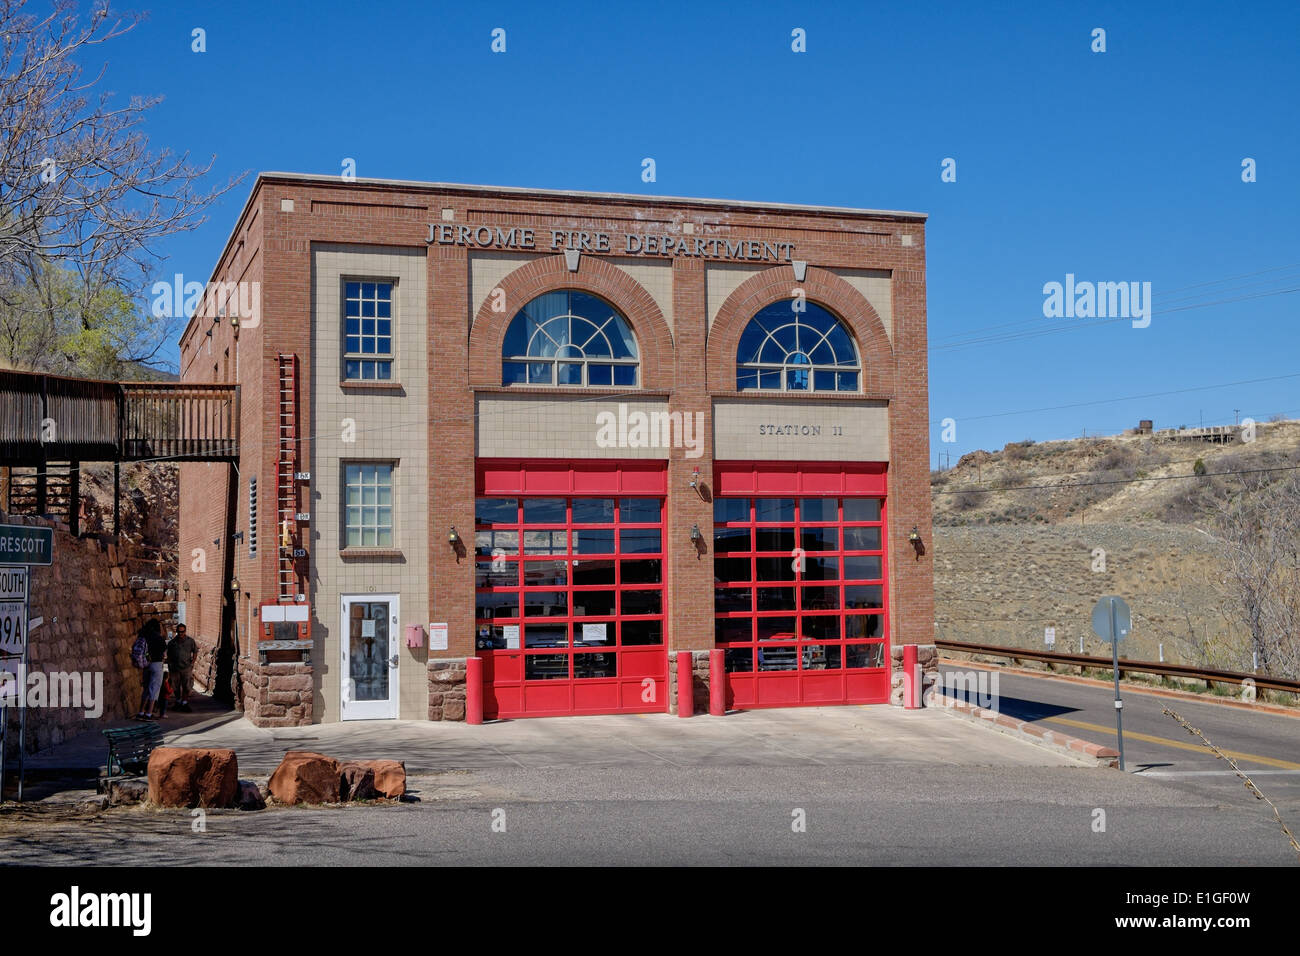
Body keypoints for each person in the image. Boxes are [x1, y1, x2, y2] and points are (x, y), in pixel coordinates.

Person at [133, 618, 168, 720]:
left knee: (146, 689)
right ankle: (149, 713)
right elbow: (164, 654)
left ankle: (141, 712)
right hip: (156, 664)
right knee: (154, 689)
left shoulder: (143, 635)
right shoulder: (159, 638)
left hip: (146, 665)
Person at [167, 623, 198, 712]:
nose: (181, 633)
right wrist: (170, 665)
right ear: (176, 631)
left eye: (182, 632)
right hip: (175, 668)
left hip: (186, 667)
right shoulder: (172, 643)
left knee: (186, 686)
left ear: (185, 631)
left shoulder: (190, 641)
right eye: (179, 632)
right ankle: (178, 701)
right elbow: (168, 655)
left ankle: (185, 703)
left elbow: (195, 652)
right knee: (175, 686)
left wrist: (192, 663)